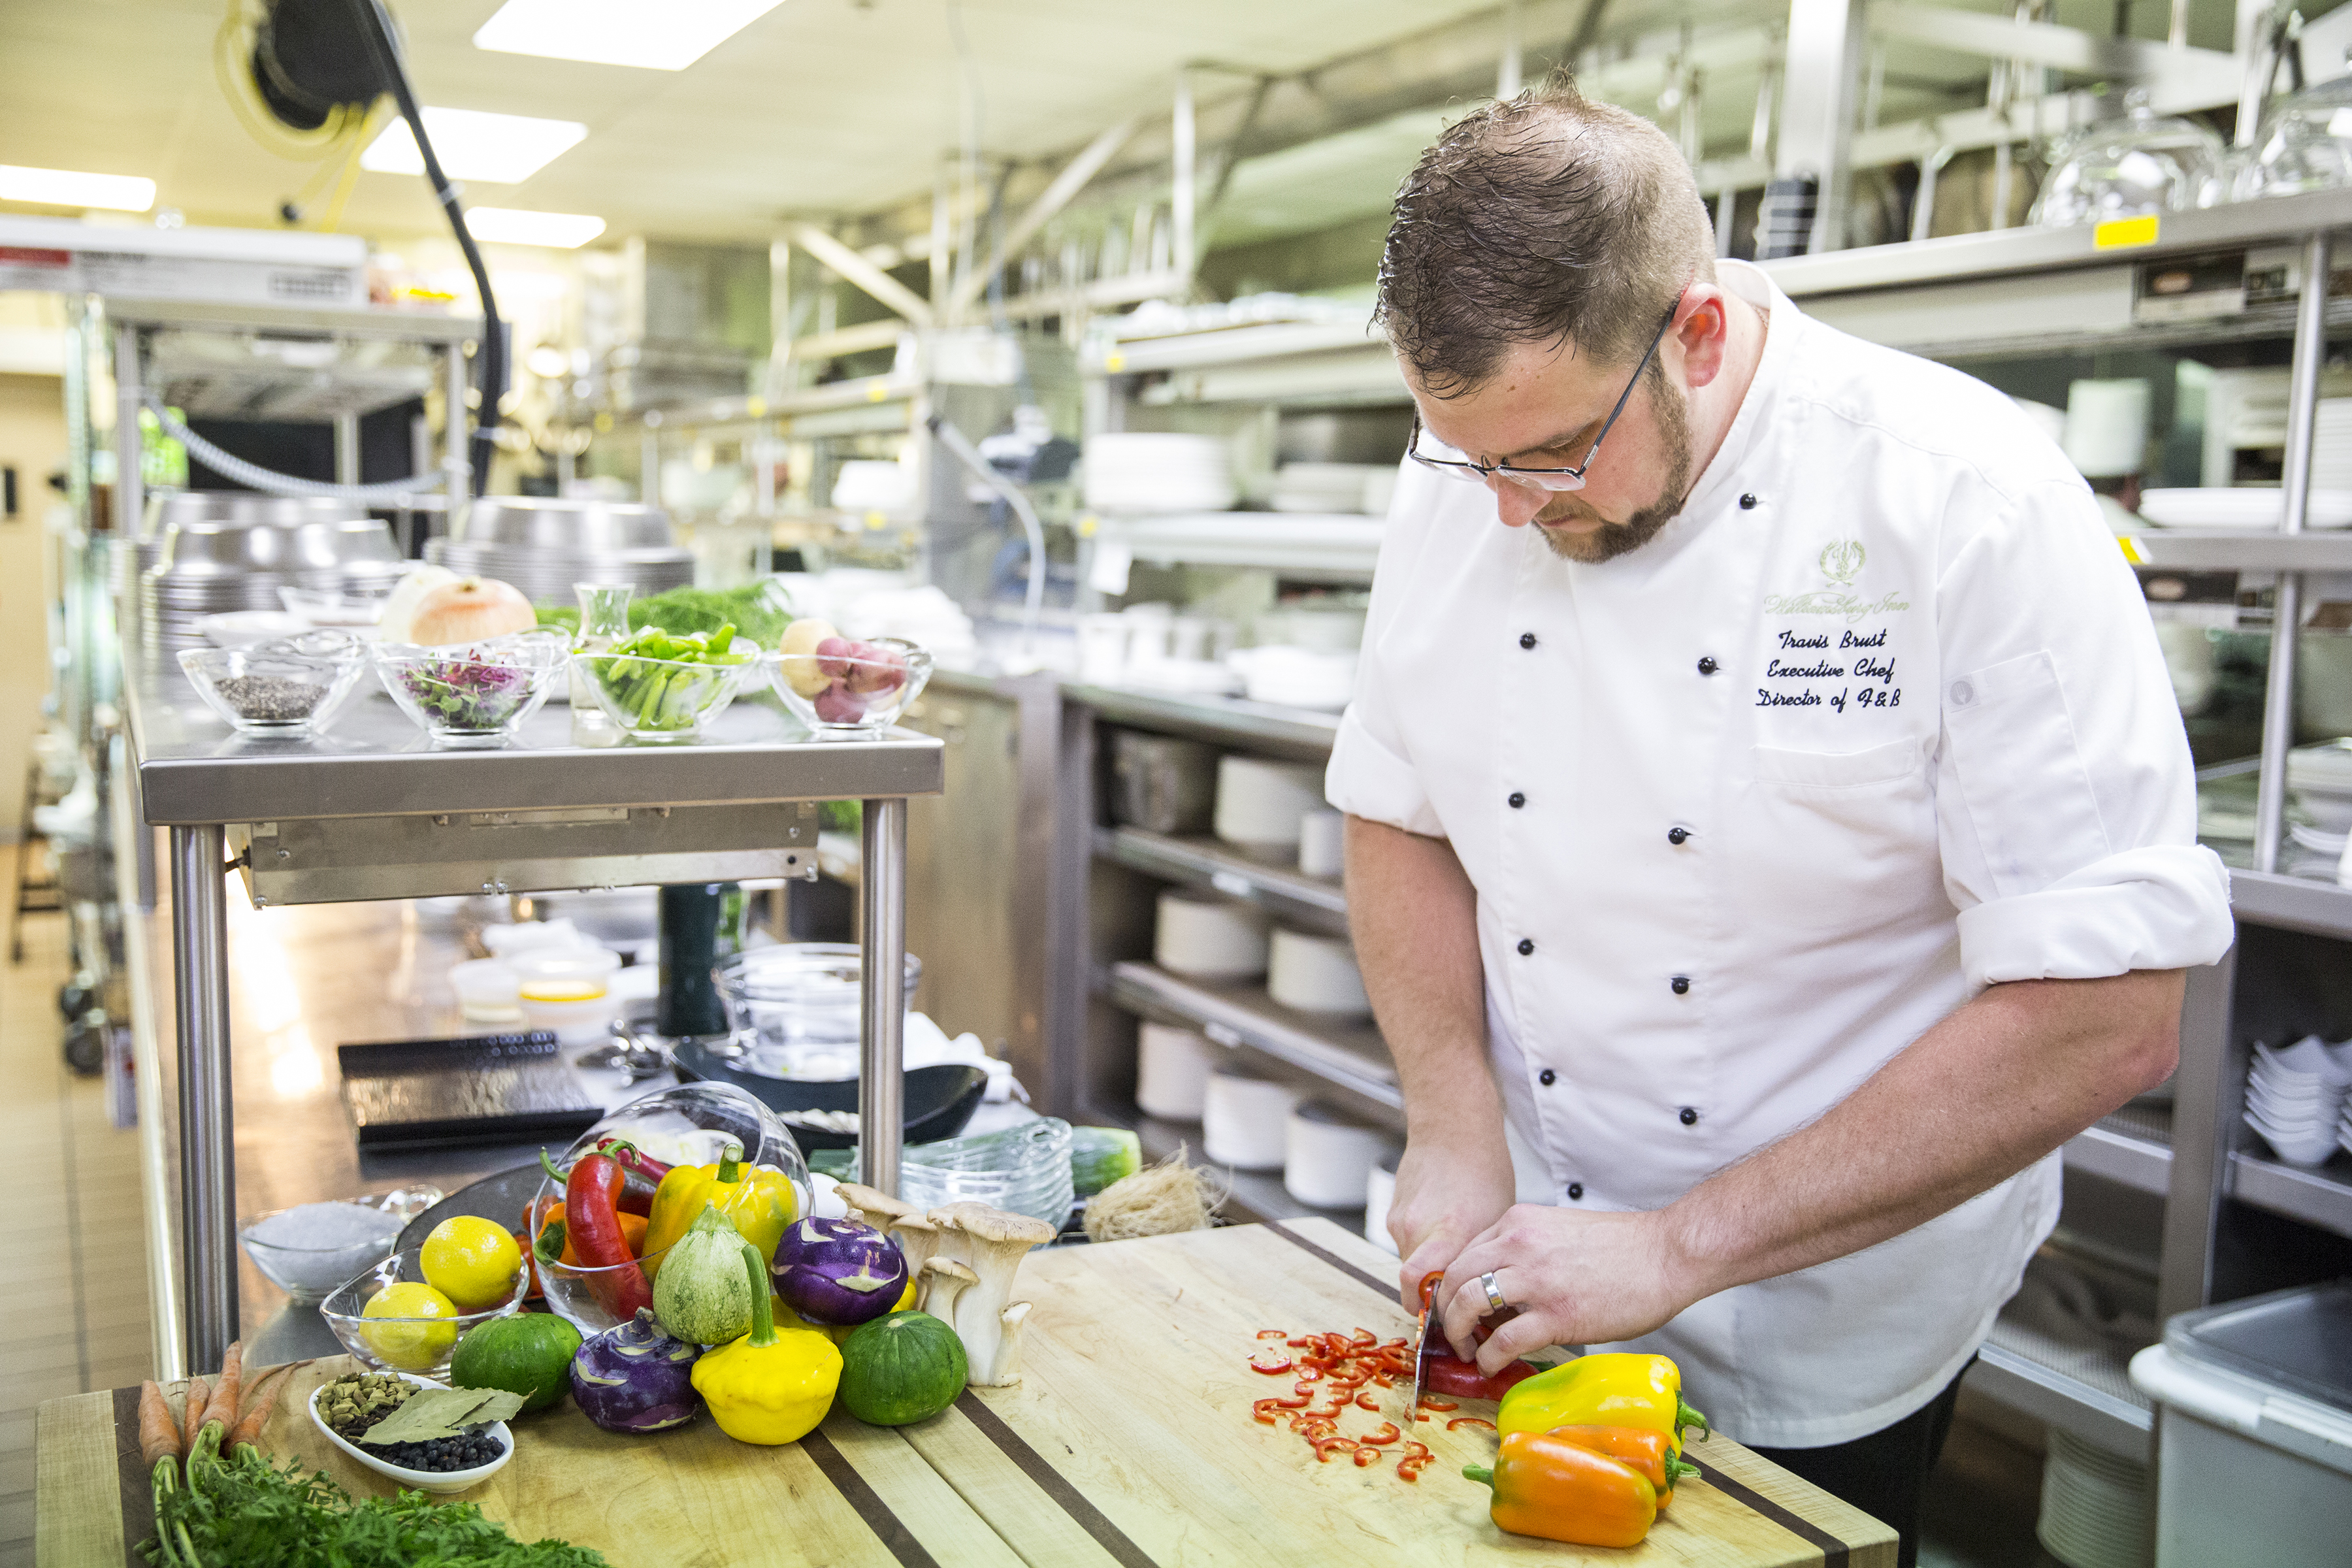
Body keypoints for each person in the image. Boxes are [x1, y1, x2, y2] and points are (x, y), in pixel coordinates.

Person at [1329, 73, 2232, 1563]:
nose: (1503, 512)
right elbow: (1399, 810)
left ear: (1692, 331)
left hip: (1823, 1302)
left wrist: (1680, 1247)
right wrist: (1450, 1124)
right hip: (1516, 1261)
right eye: (1466, 456)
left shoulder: (1965, 498)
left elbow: (2109, 1011)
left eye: (1552, 454)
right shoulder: (1473, 483)